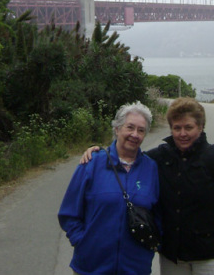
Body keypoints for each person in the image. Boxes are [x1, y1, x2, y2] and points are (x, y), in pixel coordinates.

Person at [81, 97, 214, 275]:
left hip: (212, 255)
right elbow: (127, 156)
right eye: (177, 128)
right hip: (173, 256)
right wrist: (101, 152)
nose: (182, 133)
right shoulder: (159, 158)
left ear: (200, 127)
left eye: (188, 127)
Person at [58, 102, 160, 275]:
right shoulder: (92, 163)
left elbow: (159, 213)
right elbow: (69, 213)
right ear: (117, 129)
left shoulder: (151, 168)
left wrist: (152, 247)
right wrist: (83, 242)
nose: (134, 134)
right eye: (130, 127)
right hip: (91, 267)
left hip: (135, 268)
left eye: (141, 130)